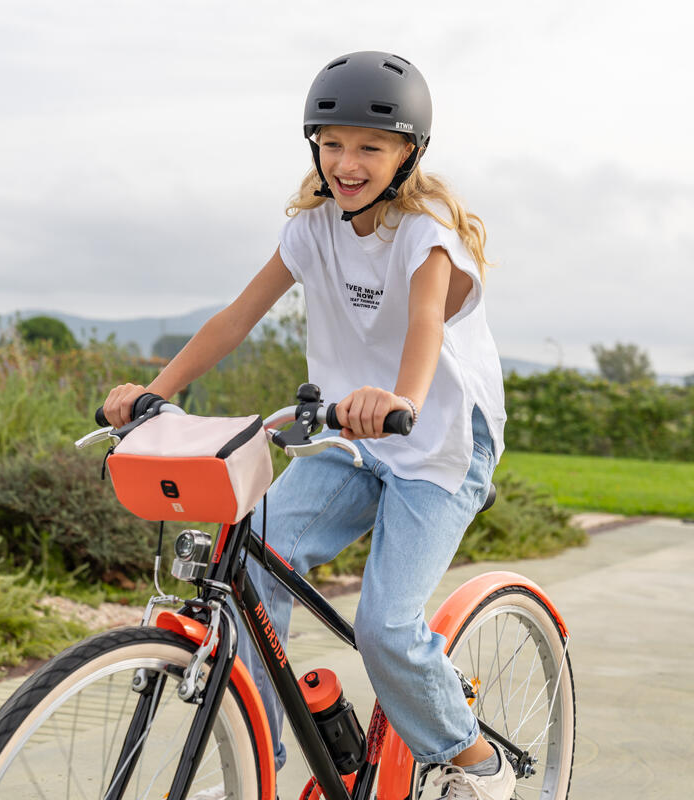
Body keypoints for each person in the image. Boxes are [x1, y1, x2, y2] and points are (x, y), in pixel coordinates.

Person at [104, 51, 512, 800]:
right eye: (331, 144)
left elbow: (424, 322)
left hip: (440, 443)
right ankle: (258, 759)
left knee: (388, 630)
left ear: (408, 154)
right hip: (349, 439)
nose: (346, 162)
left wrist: (401, 401)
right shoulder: (314, 228)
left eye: (369, 146)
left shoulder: (427, 233)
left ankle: (475, 761)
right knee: (255, 557)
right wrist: (151, 393)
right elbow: (236, 317)